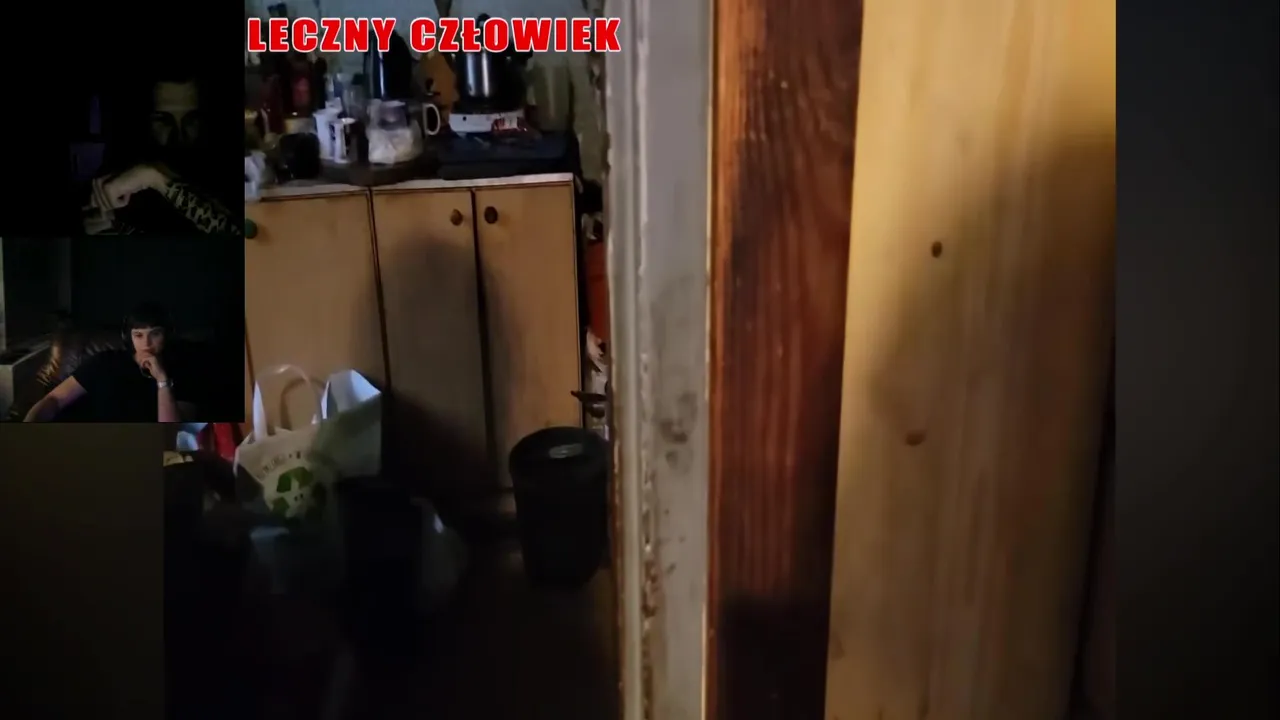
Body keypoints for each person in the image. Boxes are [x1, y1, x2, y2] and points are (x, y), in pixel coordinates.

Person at [82, 73, 241, 236]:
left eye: (190, 120)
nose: (178, 136)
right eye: (163, 120)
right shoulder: (119, 172)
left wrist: (155, 178)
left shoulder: (228, 170)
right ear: (144, 121)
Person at [23, 302, 209, 423]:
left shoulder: (184, 368)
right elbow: (54, 399)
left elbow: (173, 432)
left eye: (155, 334)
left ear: (167, 335)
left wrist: (162, 381)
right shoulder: (106, 361)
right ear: (128, 337)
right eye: (138, 335)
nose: (146, 343)